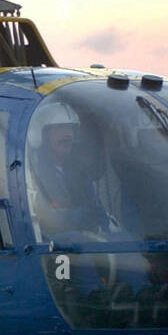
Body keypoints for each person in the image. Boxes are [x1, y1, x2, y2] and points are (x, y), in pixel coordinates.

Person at [29, 101, 109, 237]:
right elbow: (52, 221)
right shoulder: (32, 172)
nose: (68, 135)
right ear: (40, 135)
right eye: (59, 128)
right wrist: (84, 214)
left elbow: (99, 214)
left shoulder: (80, 172)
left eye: (70, 128)